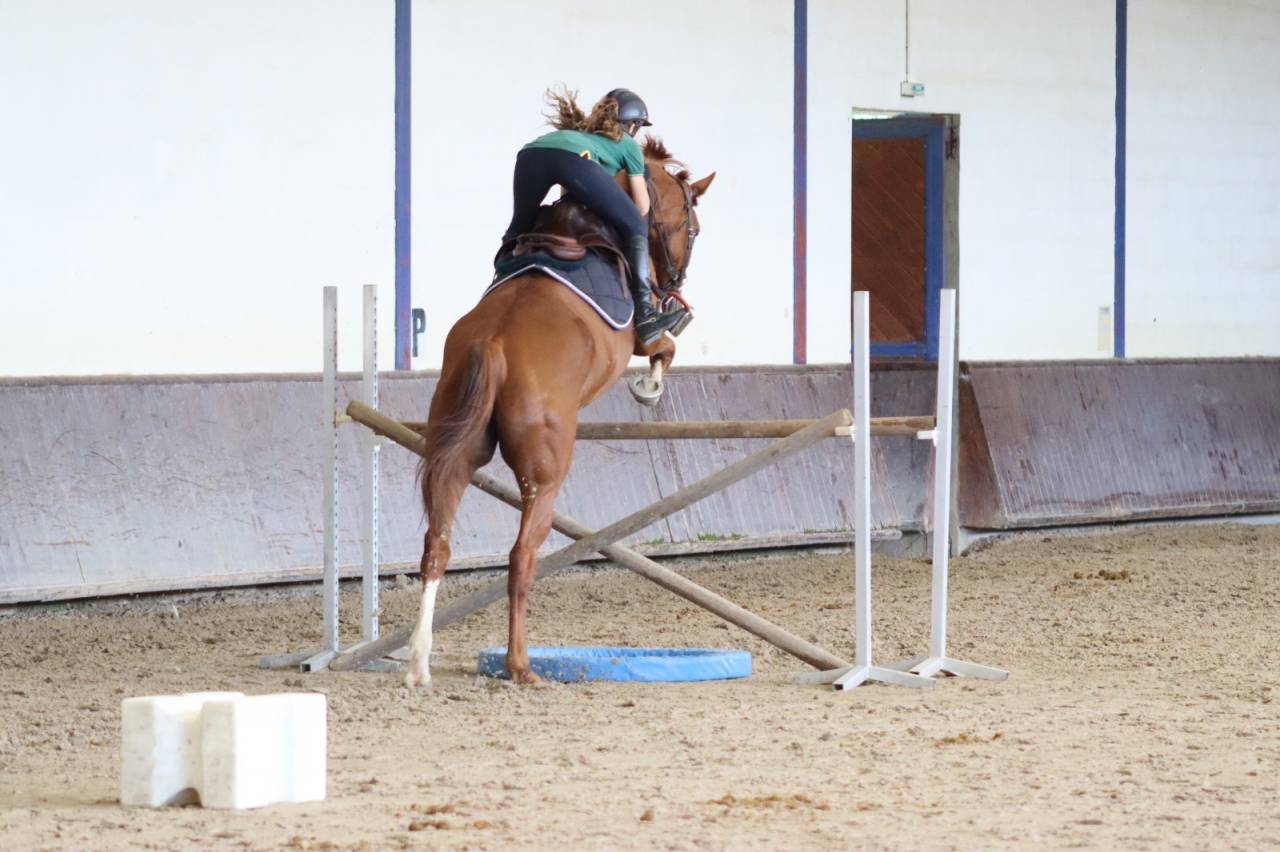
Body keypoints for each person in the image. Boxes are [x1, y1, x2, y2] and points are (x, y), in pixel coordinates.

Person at [499, 87, 684, 345]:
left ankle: (500, 280)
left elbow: (567, 194)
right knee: (636, 226)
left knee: (519, 226)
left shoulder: (581, 135)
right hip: (572, 162)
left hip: (530, 155)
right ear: (631, 124)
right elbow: (641, 207)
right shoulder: (627, 144)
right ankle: (646, 317)